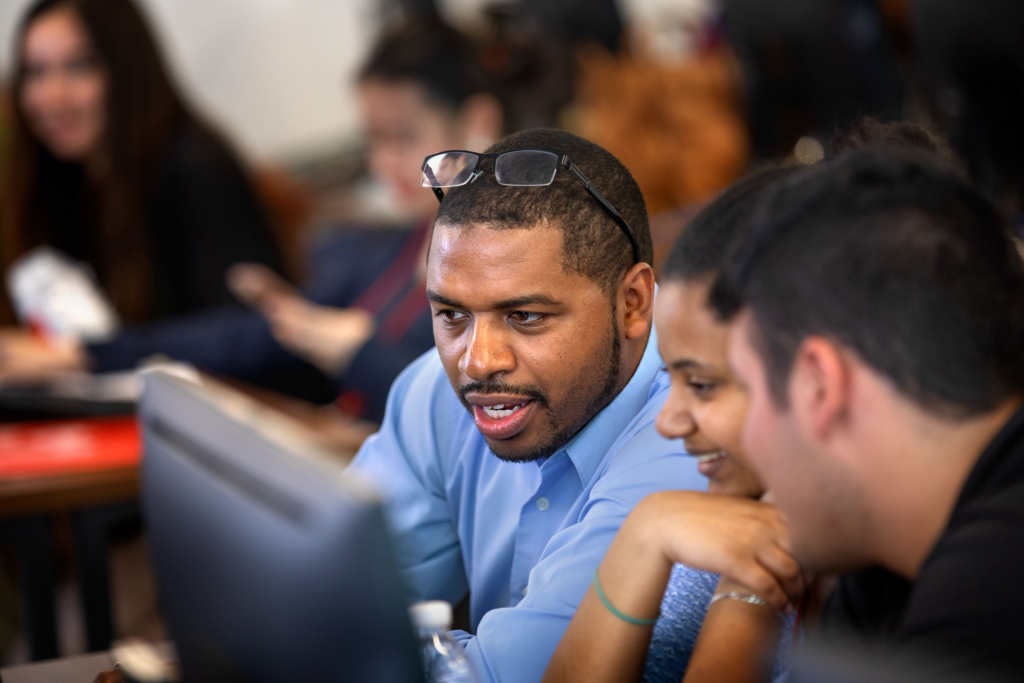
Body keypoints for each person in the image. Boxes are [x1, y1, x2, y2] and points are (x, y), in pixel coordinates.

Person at [0, 17, 506, 421]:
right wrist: (85, 354)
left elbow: (476, 405)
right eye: (372, 140)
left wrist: (352, 349)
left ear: (479, 121)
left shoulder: (512, 261)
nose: (382, 164)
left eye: (402, 136)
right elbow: (246, 336)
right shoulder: (379, 246)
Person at [348, 127, 706, 683]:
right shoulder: (433, 391)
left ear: (632, 304)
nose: (477, 361)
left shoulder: (689, 440)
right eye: (451, 316)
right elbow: (329, 601)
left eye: (526, 317)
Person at [711, 148, 1024, 680]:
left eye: (751, 389)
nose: (749, 436)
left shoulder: (987, 604)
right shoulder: (884, 568)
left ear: (819, 385)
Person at [544, 165, 803, 683]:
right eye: (670, 378)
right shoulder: (725, 526)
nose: (668, 422)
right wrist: (648, 531)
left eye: (702, 385)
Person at [0, 0, 284, 328]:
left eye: (79, 66)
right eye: (35, 73)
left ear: (127, 69)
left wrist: (89, 357)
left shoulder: (191, 166)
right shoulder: (68, 183)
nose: (52, 97)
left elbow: (244, 334)